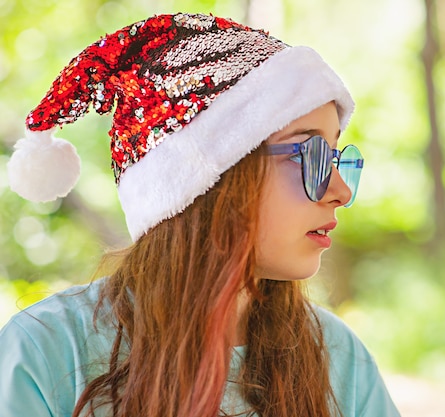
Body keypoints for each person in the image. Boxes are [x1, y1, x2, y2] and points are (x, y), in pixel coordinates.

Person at [0, 12, 400, 417]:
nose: (340, 191)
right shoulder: (44, 352)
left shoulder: (338, 358)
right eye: (310, 156)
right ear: (202, 182)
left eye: (335, 158)